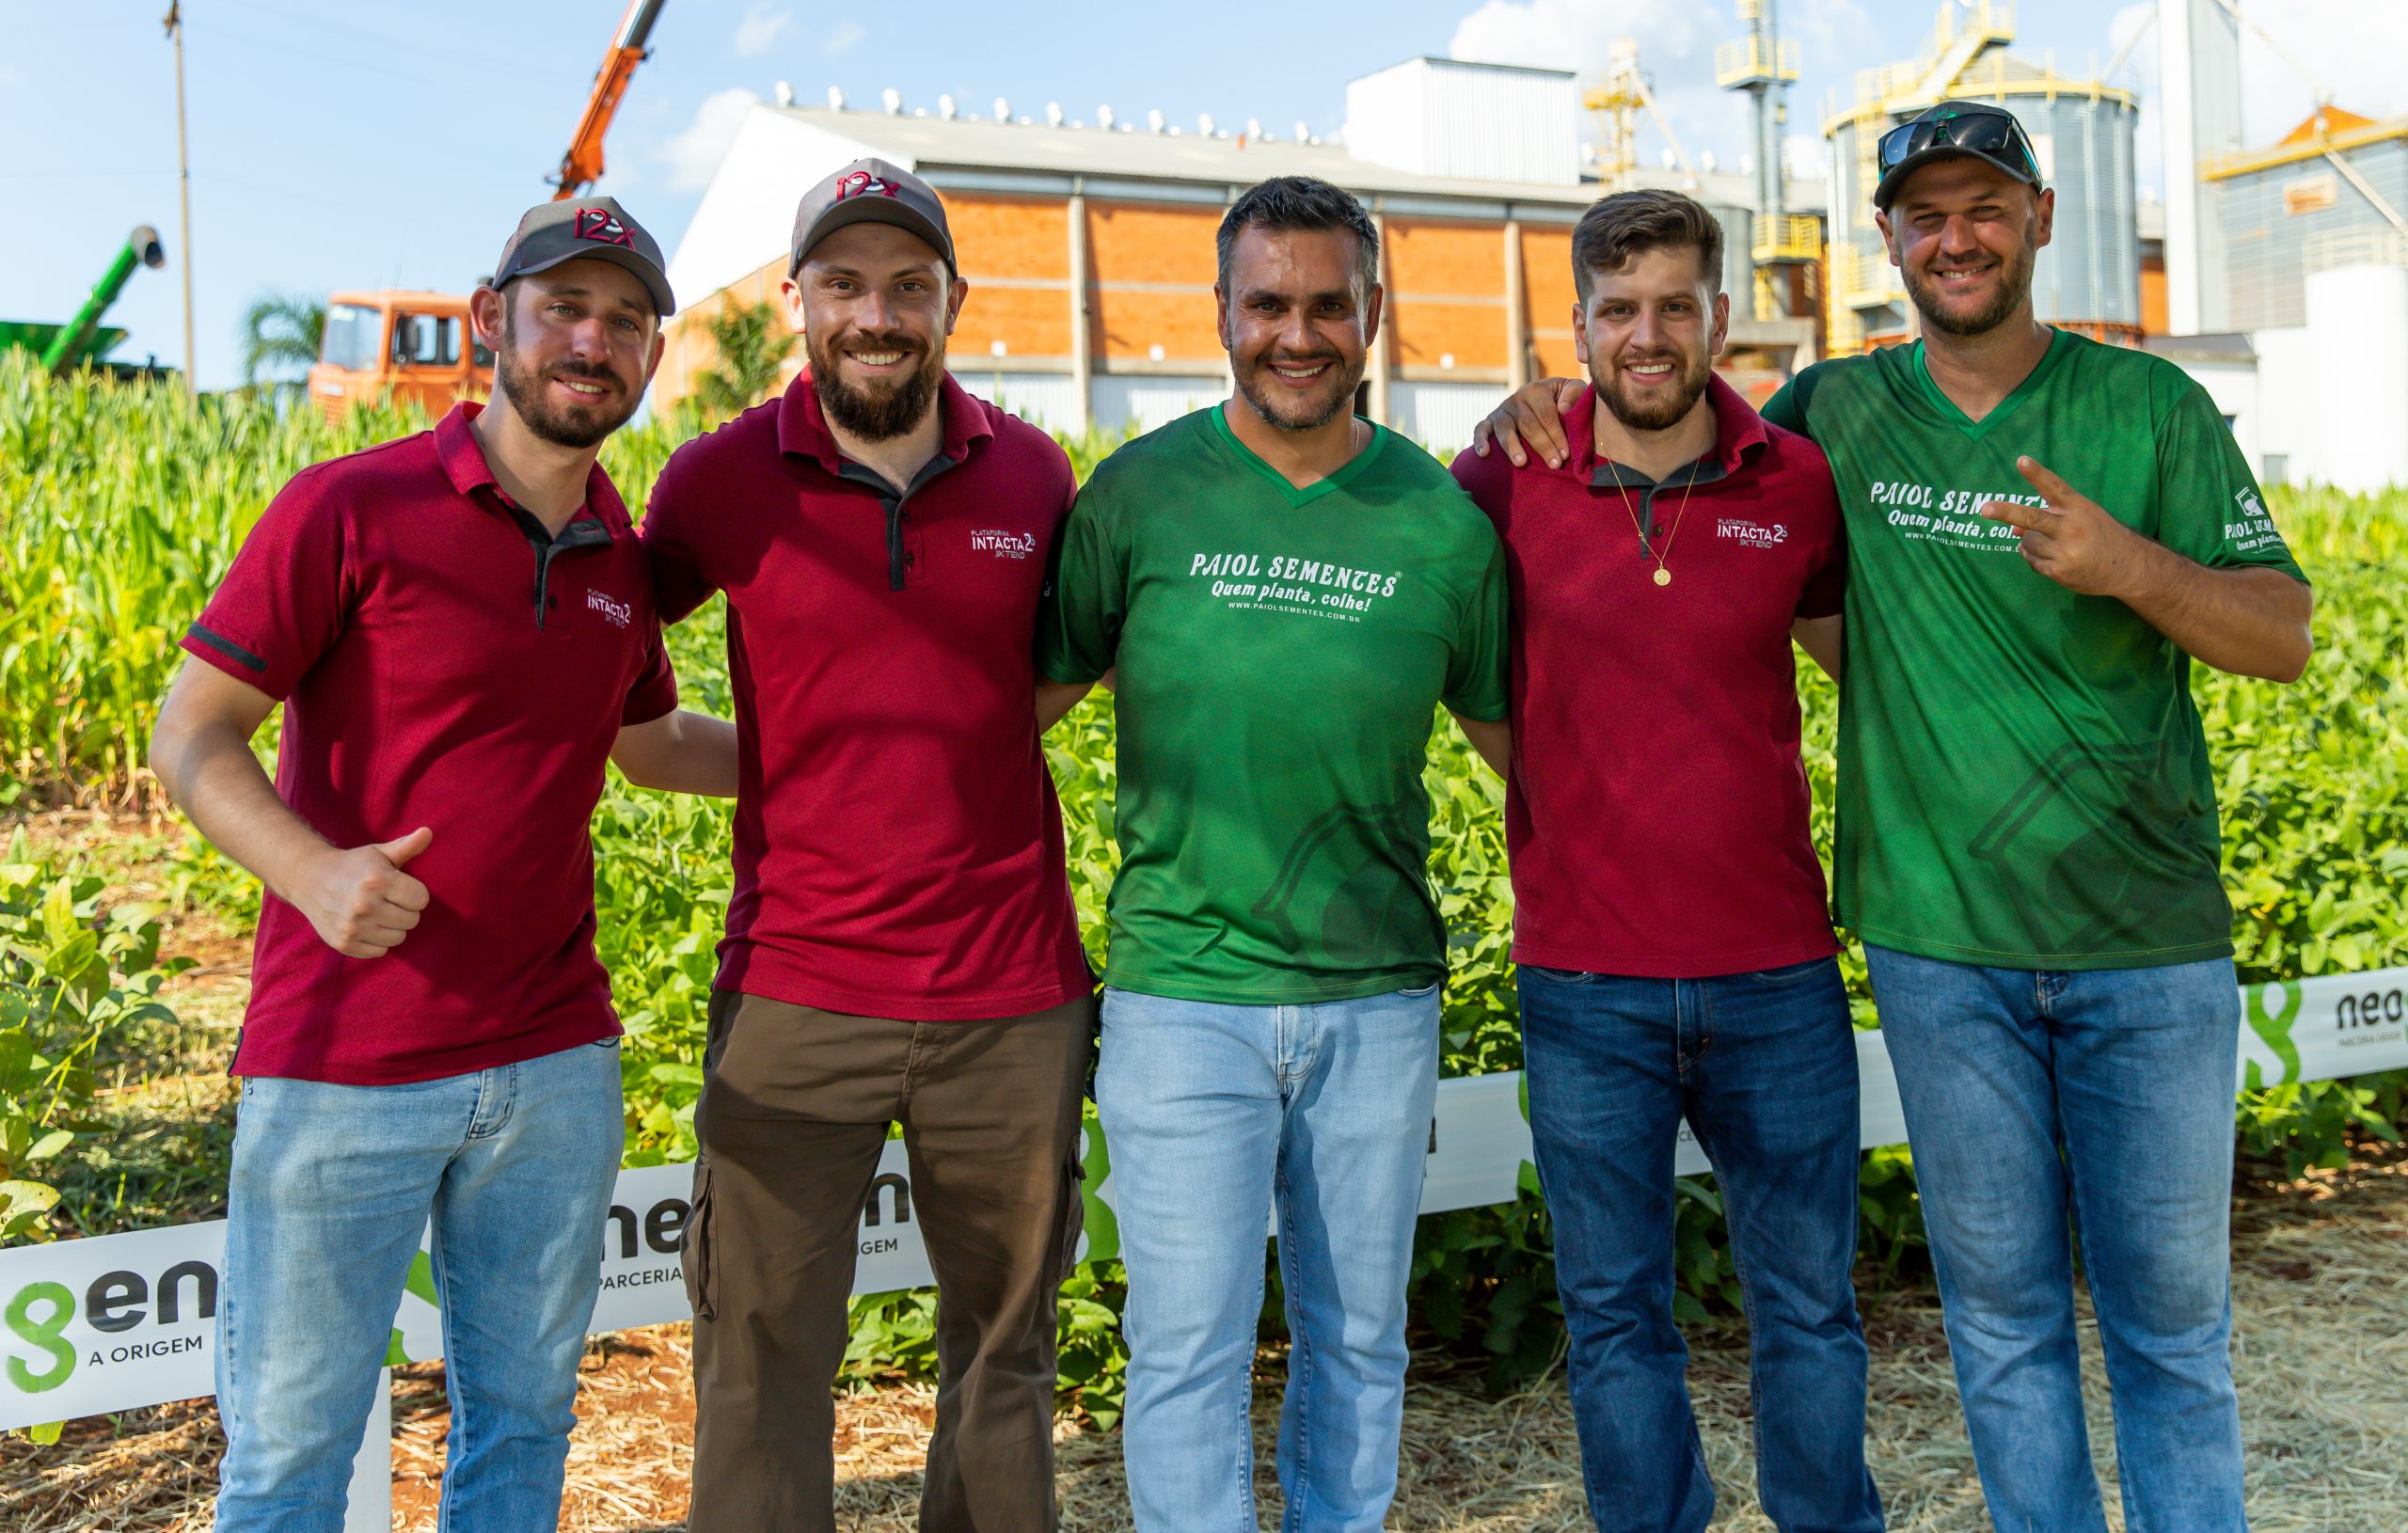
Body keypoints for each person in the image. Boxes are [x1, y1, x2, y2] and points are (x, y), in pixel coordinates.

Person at [1474, 101, 2312, 1533]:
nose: (1956, 239)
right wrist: (1535, 403)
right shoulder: (1835, 416)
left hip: (2148, 942)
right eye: (1927, 216)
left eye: (1986, 208)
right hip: (1938, 946)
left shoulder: (2150, 407)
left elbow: (2281, 634)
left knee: (2172, 1333)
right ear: (1889, 239)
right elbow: (1677, 432)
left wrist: (2126, 565)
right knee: (2002, 1324)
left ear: (2041, 218)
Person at [150, 198, 736, 1531]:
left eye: (625, 320)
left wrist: (844, 762)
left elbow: (653, 747)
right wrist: (313, 871)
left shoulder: (619, 555)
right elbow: (192, 733)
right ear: (492, 321)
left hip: (555, 1064)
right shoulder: (349, 508)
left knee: (523, 1428)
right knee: (291, 1457)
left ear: (653, 354)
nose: (591, 341)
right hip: (342, 1066)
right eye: (563, 308)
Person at [1037, 175, 1512, 1533]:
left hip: (1378, 996)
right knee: (1186, 1346)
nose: (1296, 336)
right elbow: (1012, 713)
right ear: (1222, 311)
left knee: (1360, 1339)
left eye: (1326, 305)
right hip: (1183, 995)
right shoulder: (1137, 496)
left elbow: (1526, 750)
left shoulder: (1441, 522)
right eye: (1267, 305)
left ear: (1373, 311)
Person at [641, 158, 1096, 1533]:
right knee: (759, 1352)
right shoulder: (719, 480)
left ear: (954, 300)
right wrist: (792, 765)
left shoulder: (1034, 473)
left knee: (1005, 1352)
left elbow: (1044, 676)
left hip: (1009, 994)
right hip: (795, 988)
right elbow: (603, 665)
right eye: (844, 284)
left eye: (908, 286)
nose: (876, 315)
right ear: (797, 301)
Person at [1450, 187, 1880, 1533]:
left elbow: (1862, 669)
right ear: (1578, 324)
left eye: (1675, 306)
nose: (1648, 335)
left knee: (1810, 1307)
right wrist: (1550, 778)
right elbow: (1455, 668)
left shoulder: (1794, 481)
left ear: (1720, 316)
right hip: (1586, 982)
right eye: (1619, 309)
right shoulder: (1500, 477)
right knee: (1614, 1313)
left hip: (1778, 975)